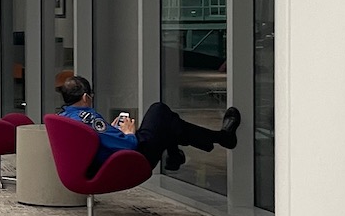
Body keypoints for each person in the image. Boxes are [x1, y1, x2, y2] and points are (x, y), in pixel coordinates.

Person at [57, 74, 240, 173]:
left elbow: (97, 139)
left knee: (167, 123)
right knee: (159, 111)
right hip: (128, 160)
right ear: (85, 97)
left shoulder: (63, 118)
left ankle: (182, 150)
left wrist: (111, 130)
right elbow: (129, 144)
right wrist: (128, 132)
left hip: (97, 164)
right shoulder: (89, 118)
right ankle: (219, 138)